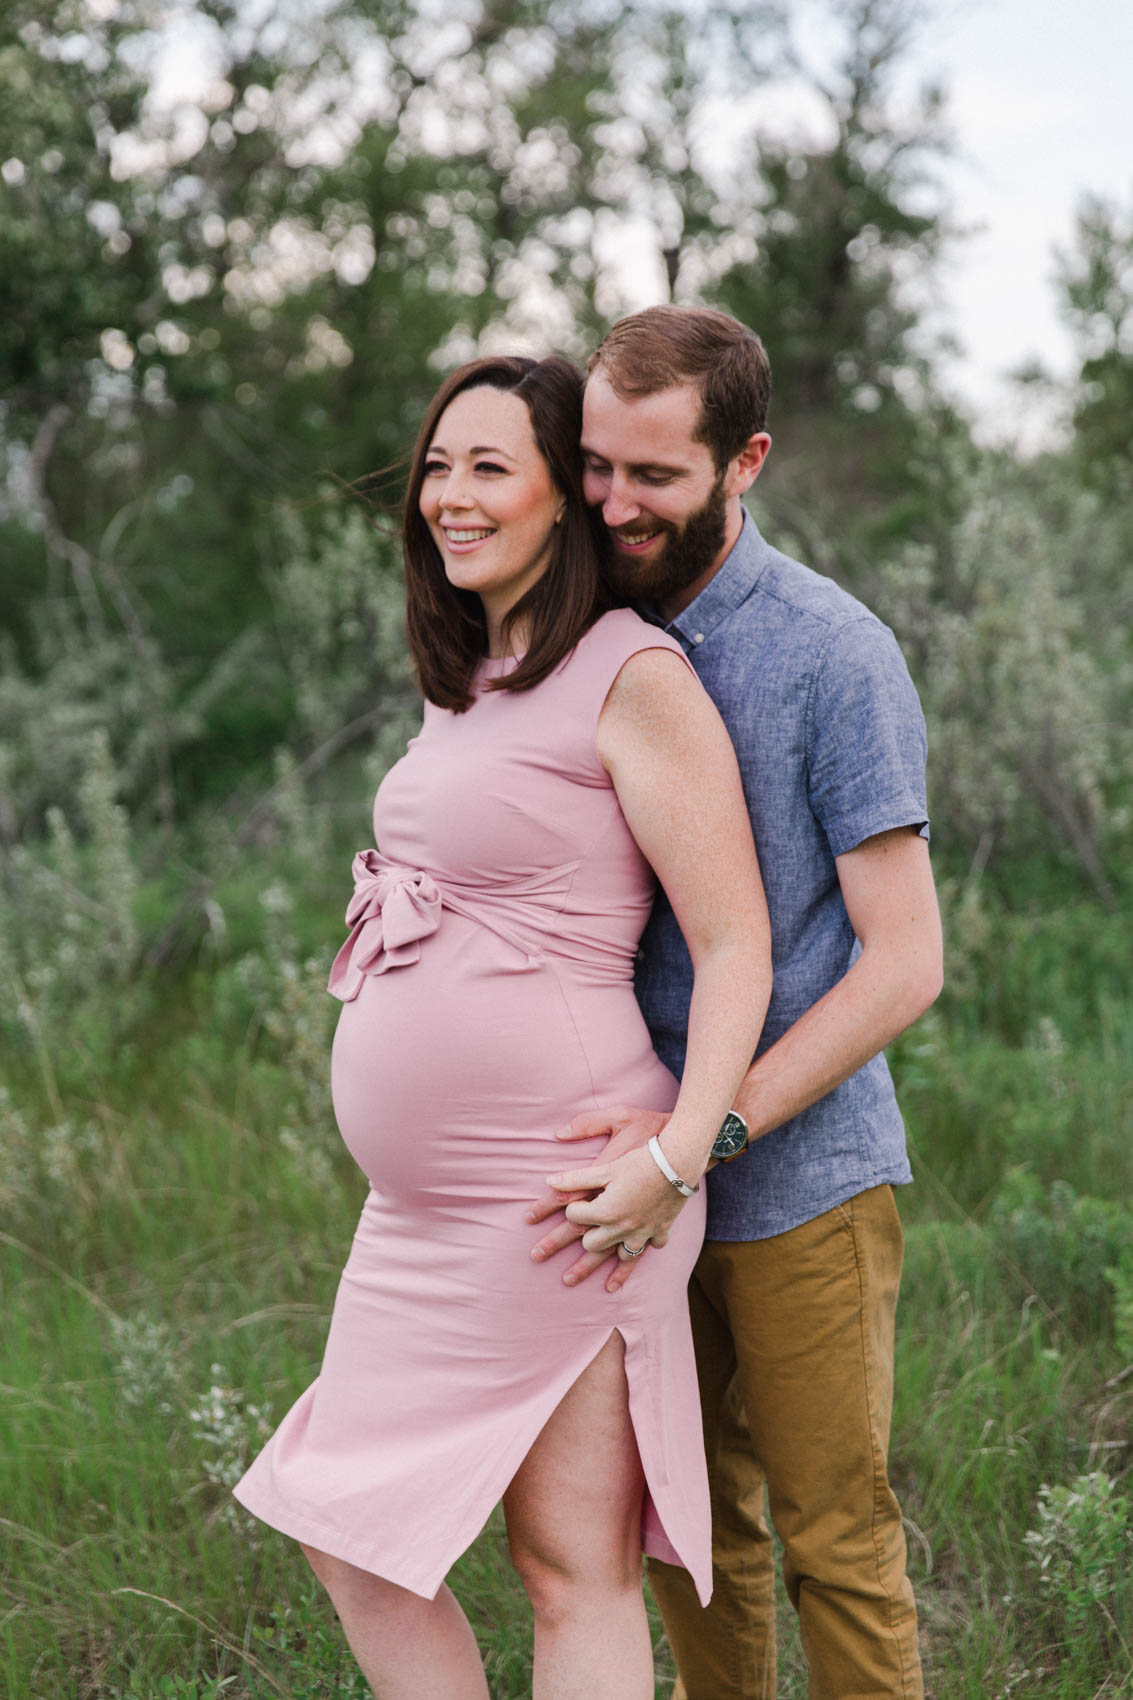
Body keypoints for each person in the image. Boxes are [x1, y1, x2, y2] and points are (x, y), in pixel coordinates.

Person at [233, 352, 773, 1700]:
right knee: (348, 1534)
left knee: (567, 1565)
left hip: (562, 1192)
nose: (448, 498)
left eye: (489, 469)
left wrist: (678, 1154)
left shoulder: (627, 673)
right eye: (436, 466)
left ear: (561, 505)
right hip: (423, 1212)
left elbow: (731, 940)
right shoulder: (470, 671)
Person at [528, 305, 944, 1700]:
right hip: (619, 1167)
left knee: (835, 1536)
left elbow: (902, 962)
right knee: (683, 1534)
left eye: (653, 475)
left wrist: (700, 1143)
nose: (612, 503)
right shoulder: (576, 634)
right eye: (595, 466)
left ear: (743, 462)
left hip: (797, 1179)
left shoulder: (833, 653)